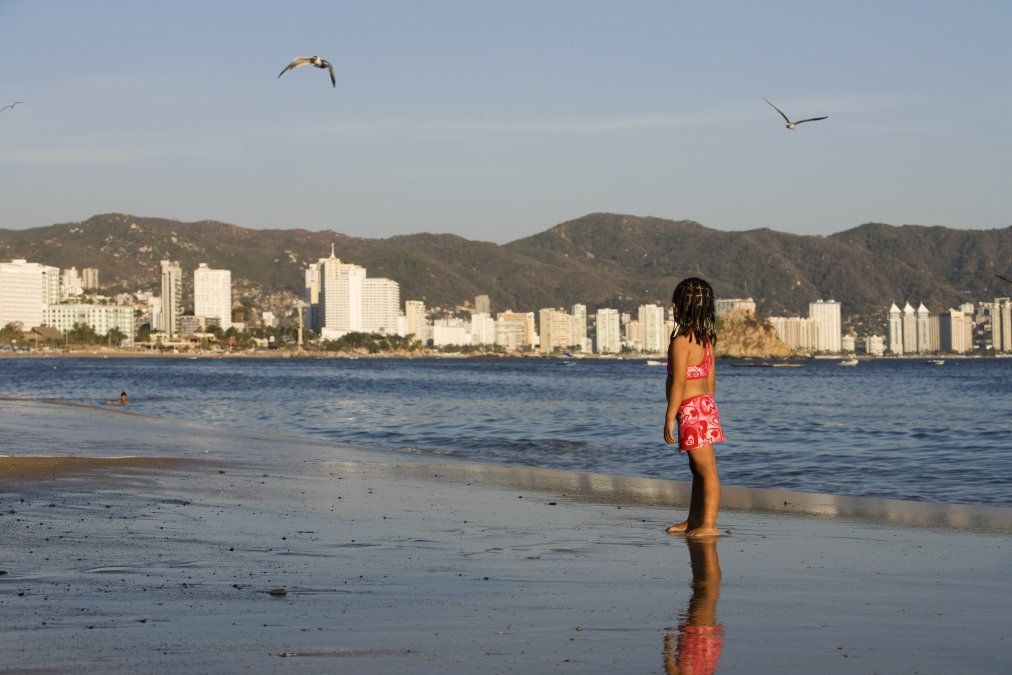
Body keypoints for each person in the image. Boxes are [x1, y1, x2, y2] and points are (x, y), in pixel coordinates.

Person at [663, 277, 724, 538]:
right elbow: (710, 382)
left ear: (680, 307)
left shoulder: (681, 342)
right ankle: (694, 520)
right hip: (704, 407)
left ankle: (709, 524)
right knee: (698, 470)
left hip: (690, 410)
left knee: (706, 470)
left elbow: (679, 381)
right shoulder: (705, 341)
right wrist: (705, 408)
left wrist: (669, 416)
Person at [663, 539, 725, 674]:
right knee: (706, 597)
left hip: (707, 647)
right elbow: (669, 658)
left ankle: (707, 574)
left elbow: (669, 659)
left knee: (708, 598)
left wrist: (669, 642)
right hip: (697, 640)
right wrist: (669, 640)